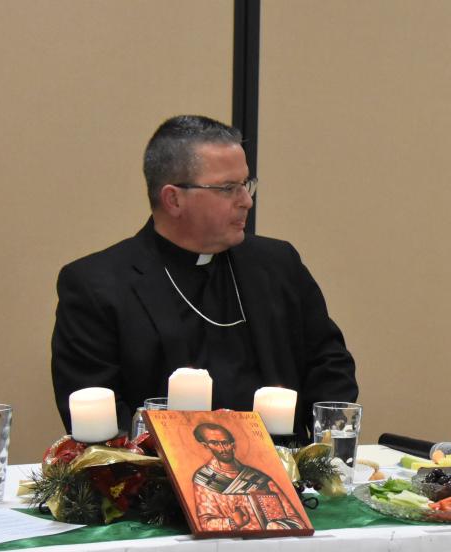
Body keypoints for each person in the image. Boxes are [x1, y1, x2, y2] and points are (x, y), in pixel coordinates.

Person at [52, 115, 357, 441]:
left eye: (246, 184)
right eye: (228, 188)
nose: (247, 201)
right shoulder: (97, 286)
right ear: (174, 199)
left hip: (284, 472)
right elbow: (99, 412)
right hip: (159, 481)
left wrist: (322, 454)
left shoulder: (277, 264)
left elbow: (330, 364)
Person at [191, 423, 305, 531]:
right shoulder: (205, 479)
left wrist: (274, 526)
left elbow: (295, 519)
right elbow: (205, 523)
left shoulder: (259, 478)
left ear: (233, 445)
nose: (222, 448)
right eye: (215, 443)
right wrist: (233, 523)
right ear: (206, 446)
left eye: (225, 442)